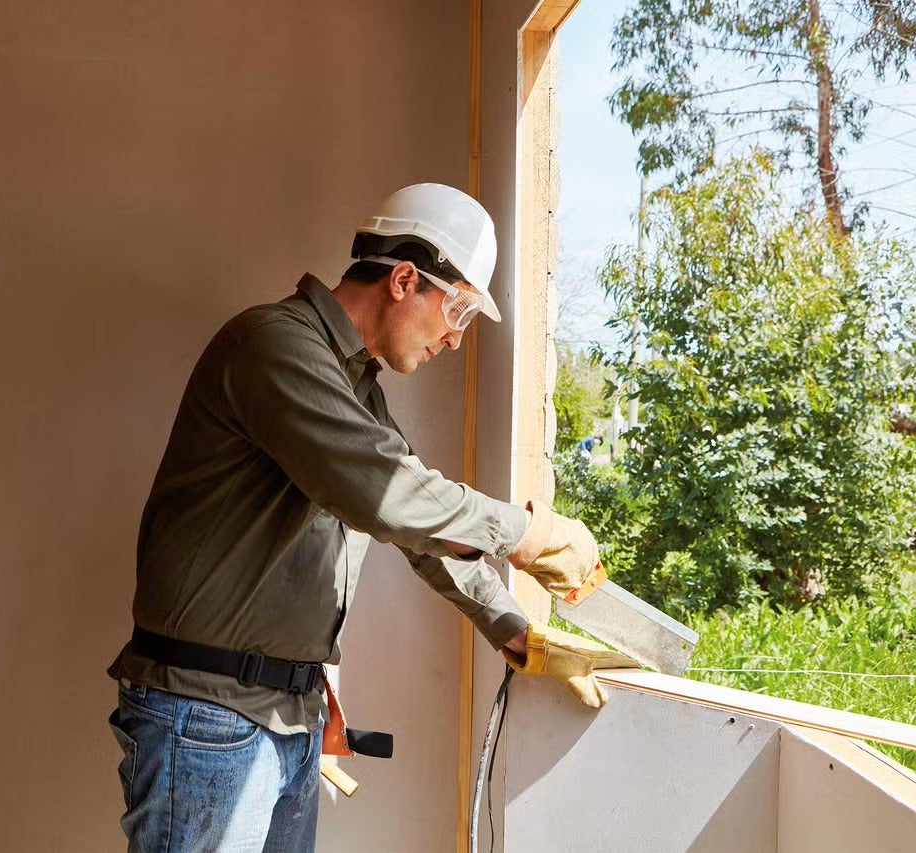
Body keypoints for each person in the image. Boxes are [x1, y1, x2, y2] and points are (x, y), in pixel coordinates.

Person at [106, 183, 634, 852]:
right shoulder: (272, 345)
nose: (455, 338)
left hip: (286, 716)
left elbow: (420, 526)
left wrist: (514, 630)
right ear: (405, 279)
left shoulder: (354, 384)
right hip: (209, 716)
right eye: (459, 310)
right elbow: (387, 496)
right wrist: (527, 534)